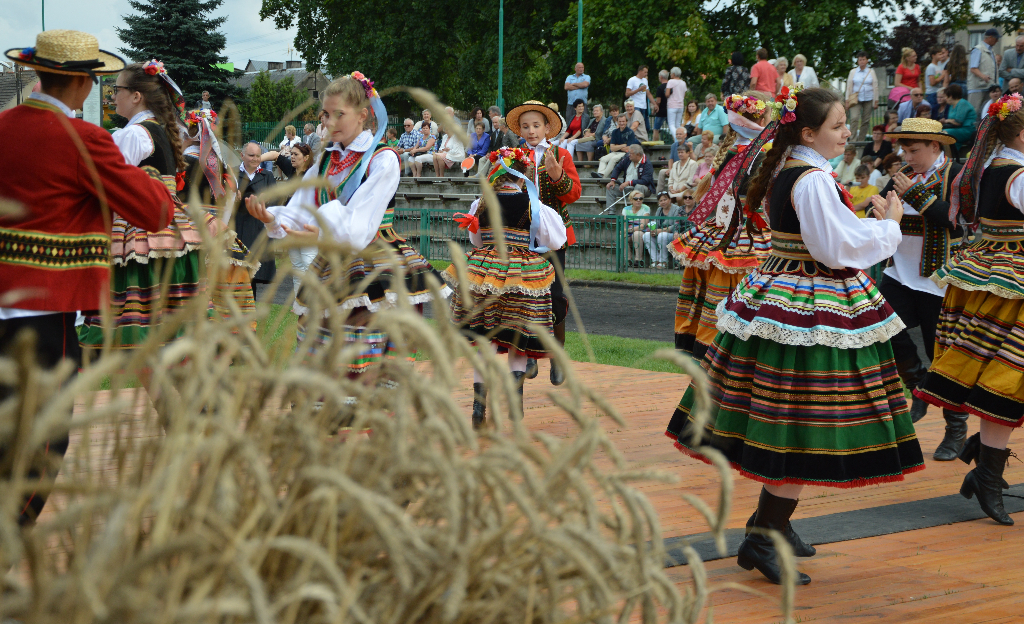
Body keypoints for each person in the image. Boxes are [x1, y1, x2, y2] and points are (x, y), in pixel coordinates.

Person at [666, 87, 924, 586]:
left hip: (786, 291)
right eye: (837, 125)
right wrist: (889, 228)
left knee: (793, 416)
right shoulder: (810, 180)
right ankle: (765, 533)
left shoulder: (795, 171)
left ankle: (773, 526)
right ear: (808, 132)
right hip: (809, 303)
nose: (847, 132)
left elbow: (829, 235)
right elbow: (834, 248)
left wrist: (868, 224)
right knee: (807, 420)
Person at [0, 30, 173, 526]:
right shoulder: (84, 139)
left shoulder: (4, 125)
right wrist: (154, 177)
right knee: (41, 444)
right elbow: (153, 211)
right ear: (80, 82)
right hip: (46, 310)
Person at [244, 71, 445, 383]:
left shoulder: (382, 159)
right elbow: (302, 207)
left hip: (375, 265)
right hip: (334, 263)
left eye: (340, 114)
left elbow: (358, 225)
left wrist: (315, 228)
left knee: (371, 375)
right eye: (326, 114)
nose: (330, 121)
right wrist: (273, 218)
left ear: (363, 115)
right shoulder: (326, 160)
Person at [914, 92, 1024, 525]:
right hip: (1010, 283)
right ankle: (988, 473)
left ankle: (985, 461)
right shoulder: (1016, 172)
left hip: (995, 275)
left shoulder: (992, 167)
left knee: (1005, 374)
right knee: (1007, 375)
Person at [78, 59, 206, 352]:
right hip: (170, 234)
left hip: (140, 240)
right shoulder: (154, 130)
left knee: (136, 335)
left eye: (116, 89)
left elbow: (105, 185)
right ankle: (187, 396)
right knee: (159, 339)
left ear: (136, 96)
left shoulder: (134, 134)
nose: (112, 95)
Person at [443, 147, 566, 427]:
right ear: (523, 175)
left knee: (483, 341)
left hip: (483, 272)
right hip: (519, 276)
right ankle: (515, 407)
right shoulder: (534, 204)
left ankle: (478, 409)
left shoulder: (480, 203)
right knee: (517, 341)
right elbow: (556, 241)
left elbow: (476, 241)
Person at [871, 117, 967, 451]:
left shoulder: (958, 174)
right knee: (882, 327)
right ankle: (918, 385)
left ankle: (955, 428)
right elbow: (880, 213)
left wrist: (919, 196)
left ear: (935, 146)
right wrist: (879, 212)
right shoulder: (903, 176)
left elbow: (959, 221)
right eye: (904, 149)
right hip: (900, 273)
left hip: (939, 280)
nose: (907, 156)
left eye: (914, 150)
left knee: (938, 352)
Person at [669, 92, 773, 359]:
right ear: (760, 117)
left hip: (722, 229)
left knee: (712, 293)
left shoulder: (734, 152)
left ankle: (708, 346)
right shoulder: (758, 154)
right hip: (747, 232)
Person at [504, 100, 583, 385]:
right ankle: (526, 357)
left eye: (536, 125)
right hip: (522, 236)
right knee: (523, 297)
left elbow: (574, 194)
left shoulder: (560, 154)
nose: (531, 130)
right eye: (525, 126)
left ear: (548, 127)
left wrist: (557, 175)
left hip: (554, 238)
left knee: (555, 298)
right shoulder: (513, 156)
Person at [236, 141, 278, 288]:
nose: (255, 159)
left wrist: (268, 199)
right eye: (251, 155)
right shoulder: (233, 174)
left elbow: (276, 203)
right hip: (238, 230)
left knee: (253, 277)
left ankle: (250, 310)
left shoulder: (267, 176)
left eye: (258, 156)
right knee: (236, 274)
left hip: (258, 230)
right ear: (242, 155)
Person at [606, 144, 653, 209]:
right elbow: (617, 168)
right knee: (610, 188)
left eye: (631, 153)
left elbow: (645, 181)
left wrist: (629, 182)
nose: (629, 155)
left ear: (638, 155)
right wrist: (612, 180)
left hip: (642, 189)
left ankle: (635, 212)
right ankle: (611, 214)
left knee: (639, 186)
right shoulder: (627, 159)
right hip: (627, 188)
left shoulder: (647, 164)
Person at [645, 191, 685, 268]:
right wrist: (653, 230)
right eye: (661, 200)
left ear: (670, 200)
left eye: (665, 199)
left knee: (662, 235)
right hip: (660, 232)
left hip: (673, 234)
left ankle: (664, 261)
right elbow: (656, 223)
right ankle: (655, 260)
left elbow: (676, 225)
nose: (663, 202)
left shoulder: (677, 209)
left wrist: (660, 231)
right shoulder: (659, 210)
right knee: (646, 235)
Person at [846, 51, 879, 142]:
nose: (862, 61)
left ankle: (861, 140)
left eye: (863, 59)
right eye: (860, 60)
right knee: (854, 119)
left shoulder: (871, 72)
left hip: (868, 98)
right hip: (856, 99)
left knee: (865, 121)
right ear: (857, 61)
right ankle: (852, 140)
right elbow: (849, 86)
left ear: (867, 60)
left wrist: (876, 100)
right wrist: (847, 100)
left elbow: (875, 86)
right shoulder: (853, 72)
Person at [968, 29, 1001, 117]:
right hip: (977, 87)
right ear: (990, 37)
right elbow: (973, 68)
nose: (997, 41)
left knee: (986, 112)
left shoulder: (991, 51)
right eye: (996, 38)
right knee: (975, 112)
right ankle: (974, 130)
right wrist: (983, 76)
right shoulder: (978, 49)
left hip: (988, 87)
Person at [941, 83, 978, 152]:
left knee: (944, 134)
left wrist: (947, 121)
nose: (945, 99)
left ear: (951, 96)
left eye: (946, 96)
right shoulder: (951, 106)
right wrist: (949, 121)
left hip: (967, 130)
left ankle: (948, 157)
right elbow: (952, 121)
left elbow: (958, 122)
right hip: (957, 129)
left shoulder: (962, 103)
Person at [622, 191, 651, 267]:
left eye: (640, 199)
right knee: (622, 236)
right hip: (629, 231)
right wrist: (626, 231)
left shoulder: (646, 208)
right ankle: (628, 260)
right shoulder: (626, 209)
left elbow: (643, 226)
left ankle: (639, 260)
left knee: (637, 234)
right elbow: (625, 225)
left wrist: (630, 230)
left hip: (641, 231)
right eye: (636, 199)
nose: (638, 200)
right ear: (631, 200)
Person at [626, 65, 655, 134]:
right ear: (640, 71)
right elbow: (627, 93)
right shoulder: (632, 80)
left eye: (647, 72)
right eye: (645, 72)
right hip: (635, 105)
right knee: (636, 124)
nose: (646, 74)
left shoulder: (645, 80)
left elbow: (648, 93)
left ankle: (642, 137)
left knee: (646, 126)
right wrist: (639, 89)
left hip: (643, 106)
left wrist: (654, 103)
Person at [925, 44, 949, 112]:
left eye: (942, 54)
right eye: (939, 54)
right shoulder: (931, 67)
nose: (941, 56)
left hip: (937, 93)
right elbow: (932, 82)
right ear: (933, 56)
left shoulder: (938, 66)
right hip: (931, 93)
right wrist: (943, 76)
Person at [666, 67, 687, 136]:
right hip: (680, 105)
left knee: (671, 124)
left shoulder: (670, 81)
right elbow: (684, 95)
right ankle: (681, 137)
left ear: (673, 74)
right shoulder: (683, 83)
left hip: (672, 105)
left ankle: (676, 138)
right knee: (678, 124)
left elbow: (667, 94)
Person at [653, 69, 669, 141]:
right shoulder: (671, 87)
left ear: (661, 77)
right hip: (670, 109)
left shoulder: (660, 88)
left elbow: (658, 101)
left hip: (661, 110)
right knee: (672, 128)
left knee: (656, 129)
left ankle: (655, 145)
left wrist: (654, 109)